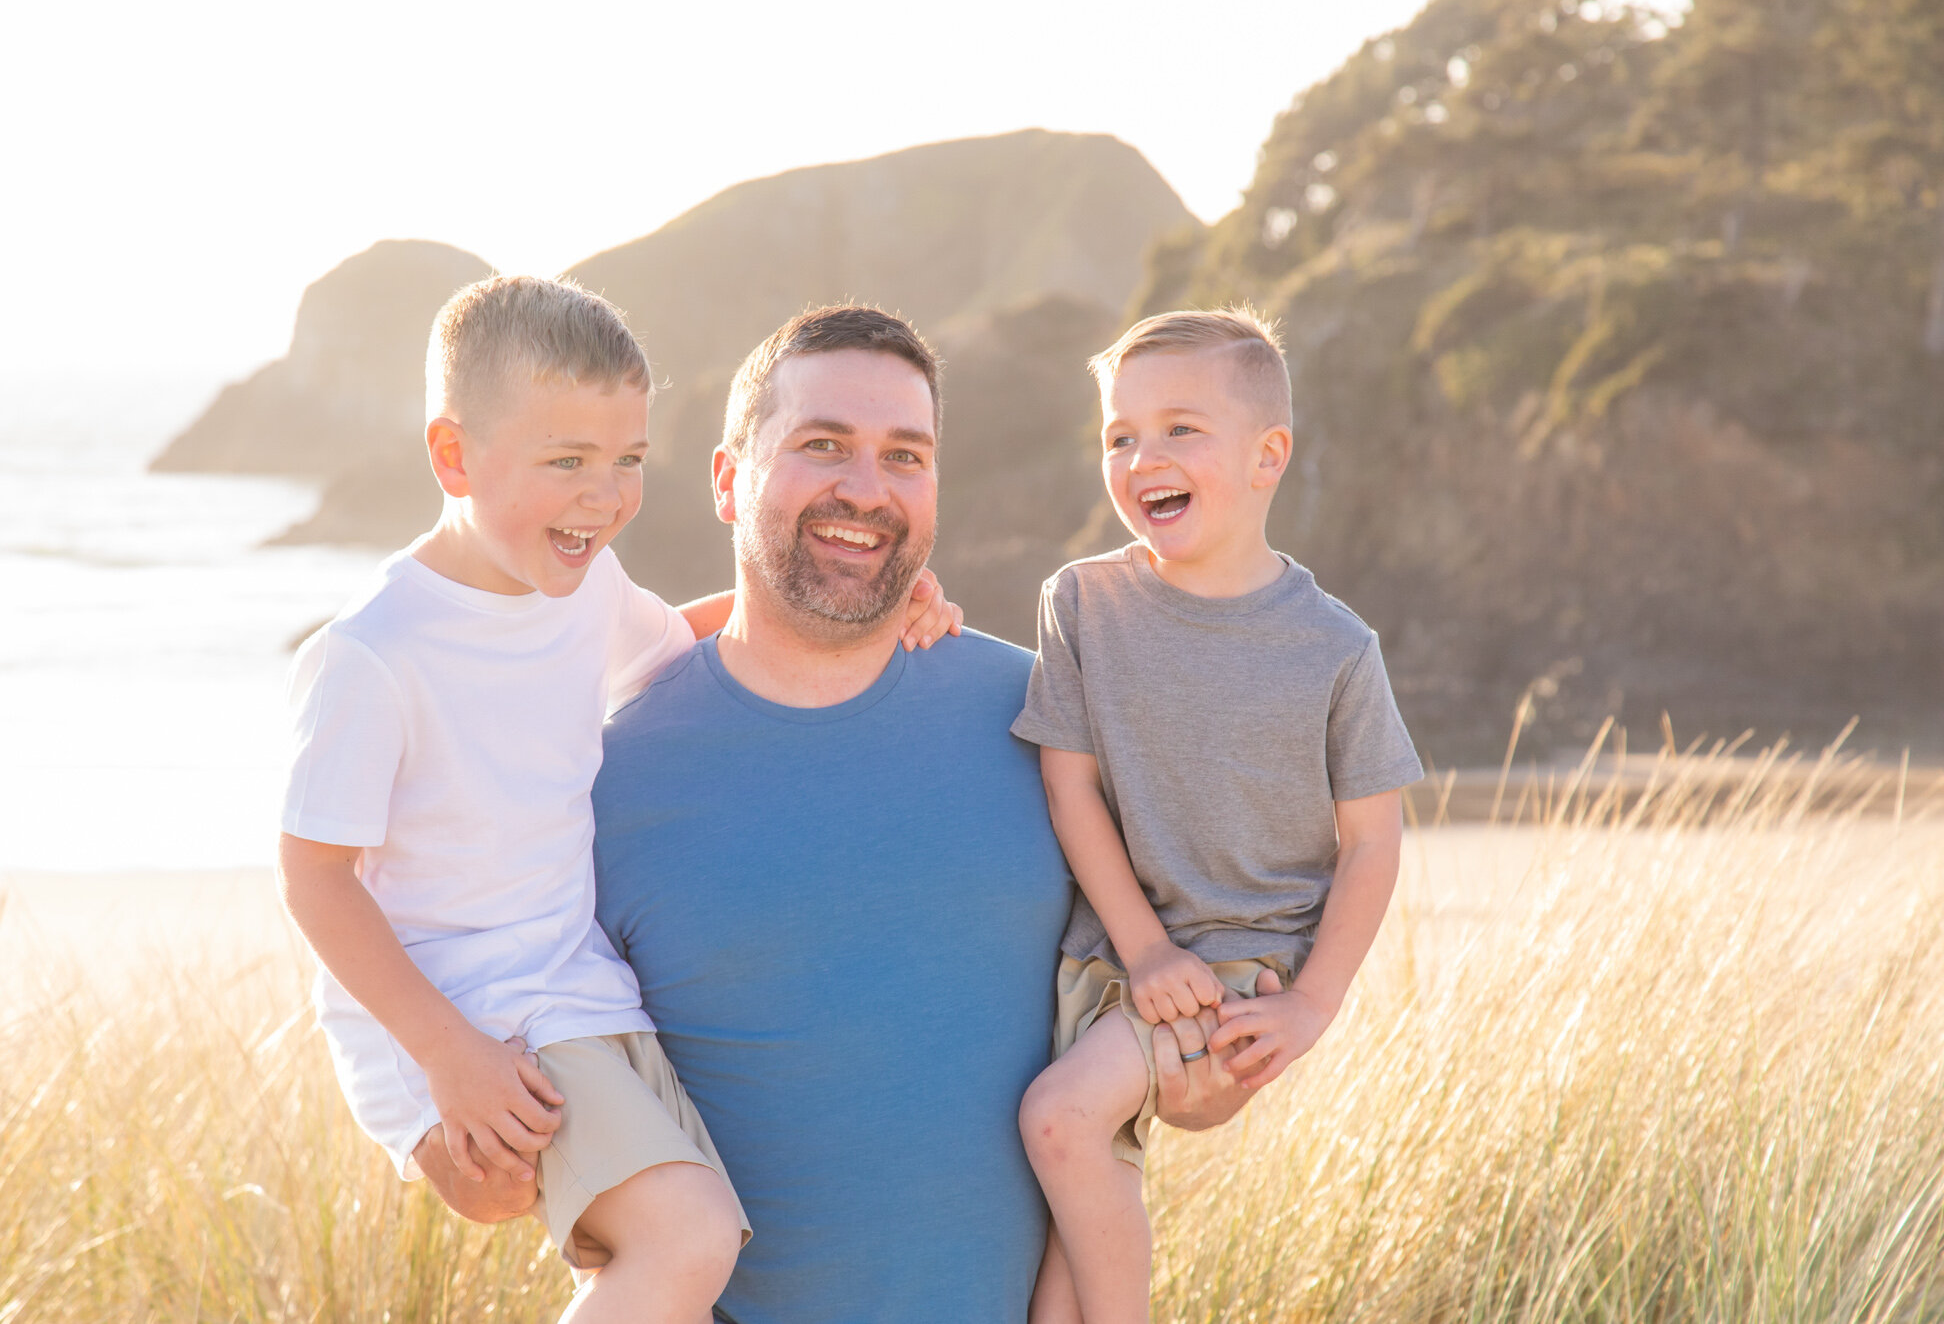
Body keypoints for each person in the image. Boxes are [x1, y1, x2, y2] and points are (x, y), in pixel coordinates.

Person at [424, 303, 1307, 1320]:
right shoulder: (594, 781)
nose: (866, 487)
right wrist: (468, 1168)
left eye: (905, 455)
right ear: (726, 480)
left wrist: (1214, 1078)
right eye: (822, 445)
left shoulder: (1051, 727)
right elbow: (501, 1086)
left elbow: (1179, 995)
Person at [275, 278, 957, 1324]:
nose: (603, 497)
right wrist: (448, 1065)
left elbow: (687, 644)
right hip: (470, 1015)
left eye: (626, 461)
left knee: (685, 1246)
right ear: (454, 456)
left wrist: (878, 603)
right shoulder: (376, 653)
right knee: (685, 1238)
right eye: (567, 462)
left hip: (573, 990)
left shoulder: (582, 585)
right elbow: (314, 879)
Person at [1011, 309, 1424, 1324]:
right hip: (1112, 962)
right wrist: (1144, 954)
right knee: (1058, 1263)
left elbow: (1373, 840)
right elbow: (1069, 789)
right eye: (1119, 435)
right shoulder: (1081, 604)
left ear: (1264, 456)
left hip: (1241, 964)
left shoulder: (1332, 646)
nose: (1142, 455)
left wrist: (1310, 1006)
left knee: (1057, 1119)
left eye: (1179, 429)